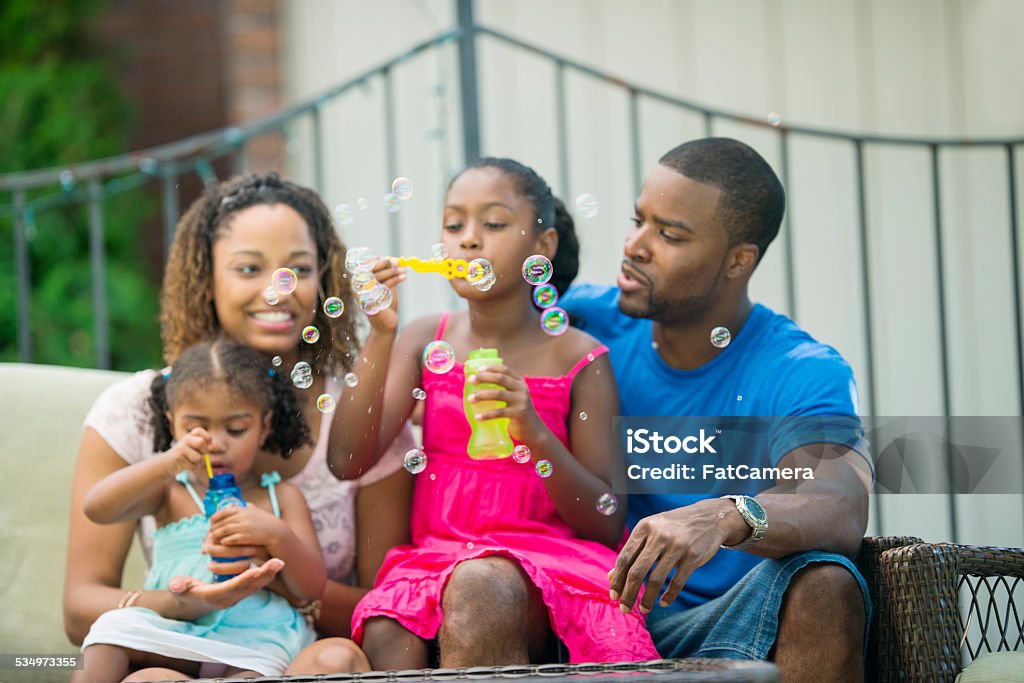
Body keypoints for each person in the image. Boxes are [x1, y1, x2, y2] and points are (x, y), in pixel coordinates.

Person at [64, 172, 414, 679]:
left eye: (299, 269)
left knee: (337, 664)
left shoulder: (359, 416)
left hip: (290, 656)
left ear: (325, 281)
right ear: (207, 280)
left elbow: (389, 610)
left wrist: (273, 574)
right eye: (249, 268)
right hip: (178, 647)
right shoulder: (137, 409)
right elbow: (80, 608)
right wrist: (185, 603)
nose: (278, 290)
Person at [558, 137, 873, 682]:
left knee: (826, 582)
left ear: (738, 259)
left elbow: (839, 501)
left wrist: (725, 514)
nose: (634, 245)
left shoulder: (798, 367)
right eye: (638, 221)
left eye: (669, 234)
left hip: (728, 625)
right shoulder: (584, 323)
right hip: (587, 609)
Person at [331, 158, 660, 667]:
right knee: (386, 629)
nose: (468, 239)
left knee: (482, 585)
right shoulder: (424, 338)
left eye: (494, 223)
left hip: (554, 564)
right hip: (435, 556)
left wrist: (534, 432)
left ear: (542, 247)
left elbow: (606, 520)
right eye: (454, 223)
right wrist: (380, 333)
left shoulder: (579, 358)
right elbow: (347, 460)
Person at [74, 339, 325, 681]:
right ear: (171, 422)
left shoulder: (280, 496)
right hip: (177, 627)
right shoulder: (169, 490)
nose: (216, 442)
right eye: (195, 428)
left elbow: (311, 588)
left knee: (257, 673)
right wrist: (166, 462)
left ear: (264, 426)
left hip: (257, 636)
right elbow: (97, 507)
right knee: (110, 629)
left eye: (236, 429)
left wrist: (275, 534)